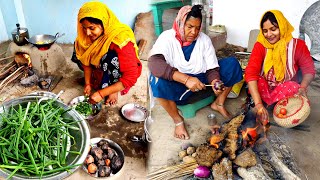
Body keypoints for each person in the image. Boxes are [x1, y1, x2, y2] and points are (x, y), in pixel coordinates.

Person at [148, 5, 243, 140]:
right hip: (179, 87)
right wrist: (186, 79)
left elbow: (212, 68)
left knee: (232, 64)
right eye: (189, 27)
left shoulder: (204, 40)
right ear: (180, 23)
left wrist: (215, 81)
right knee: (156, 80)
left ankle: (218, 103)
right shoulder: (167, 38)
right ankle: (178, 121)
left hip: (202, 83)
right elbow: (154, 63)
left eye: (197, 28)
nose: (194, 32)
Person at [245, 10, 315, 122]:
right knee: (254, 81)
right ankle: (264, 104)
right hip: (265, 88)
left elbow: (309, 71)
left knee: (294, 87)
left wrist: (303, 87)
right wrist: (258, 104)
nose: (269, 34)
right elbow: (251, 73)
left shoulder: (298, 45)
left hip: (283, 89)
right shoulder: (261, 45)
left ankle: (271, 104)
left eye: (273, 29)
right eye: (265, 31)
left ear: (282, 27)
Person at [71, 1, 142, 105]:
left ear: (104, 23)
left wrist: (101, 93)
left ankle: (113, 89)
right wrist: (87, 83)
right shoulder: (85, 37)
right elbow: (85, 63)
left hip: (116, 69)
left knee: (112, 57)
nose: (87, 33)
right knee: (78, 47)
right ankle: (98, 80)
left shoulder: (121, 39)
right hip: (100, 67)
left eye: (92, 28)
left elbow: (131, 76)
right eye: (84, 28)